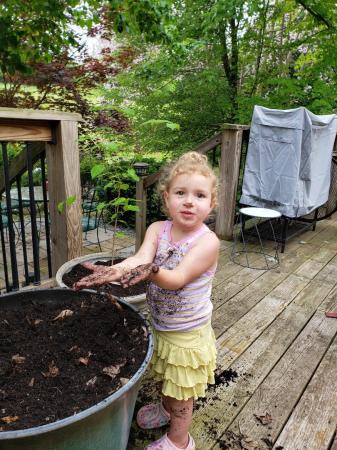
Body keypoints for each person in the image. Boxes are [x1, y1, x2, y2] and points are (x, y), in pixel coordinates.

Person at [75, 151, 220, 450]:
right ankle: (166, 409)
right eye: (181, 193)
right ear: (166, 198)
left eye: (200, 195)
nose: (190, 201)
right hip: (163, 324)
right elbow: (140, 258)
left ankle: (179, 441)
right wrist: (115, 270)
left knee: (182, 390)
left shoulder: (207, 243)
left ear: (211, 203)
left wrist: (153, 271)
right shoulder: (158, 229)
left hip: (188, 333)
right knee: (168, 375)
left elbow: (177, 278)